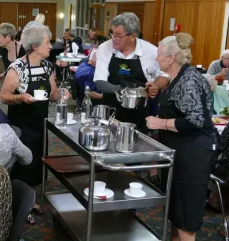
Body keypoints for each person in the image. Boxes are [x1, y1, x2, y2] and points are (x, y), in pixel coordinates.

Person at [146, 32, 218, 241]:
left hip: (193, 156)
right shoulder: (175, 78)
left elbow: (196, 121)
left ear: (171, 58)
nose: (156, 58)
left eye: (159, 54)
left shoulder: (189, 81)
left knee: (186, 220)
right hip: (180, 153)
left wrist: (161, 123)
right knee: (177, 217)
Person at [0, 26, 67, 220]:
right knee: (21, 162)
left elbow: (53, 96)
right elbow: (3, 96)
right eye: (47, 42)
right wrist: (20, 98)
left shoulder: (48, 66)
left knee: (37, 159)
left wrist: (62, 94)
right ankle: (17, 203)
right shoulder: (17, 68)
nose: (50, 46)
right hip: (21, 124)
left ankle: (30, 198)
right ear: (35, 45)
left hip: (40, 121)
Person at [93, 12, 166, 133]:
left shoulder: (151, 51)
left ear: (133, 36)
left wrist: (156, 86)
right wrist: (122, 91)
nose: (113, 39)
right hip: (111, 111)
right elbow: (100, 82)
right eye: (112, 34)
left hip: (139, 112)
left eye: (118, 36)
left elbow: (164, 75)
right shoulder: (105, 48)